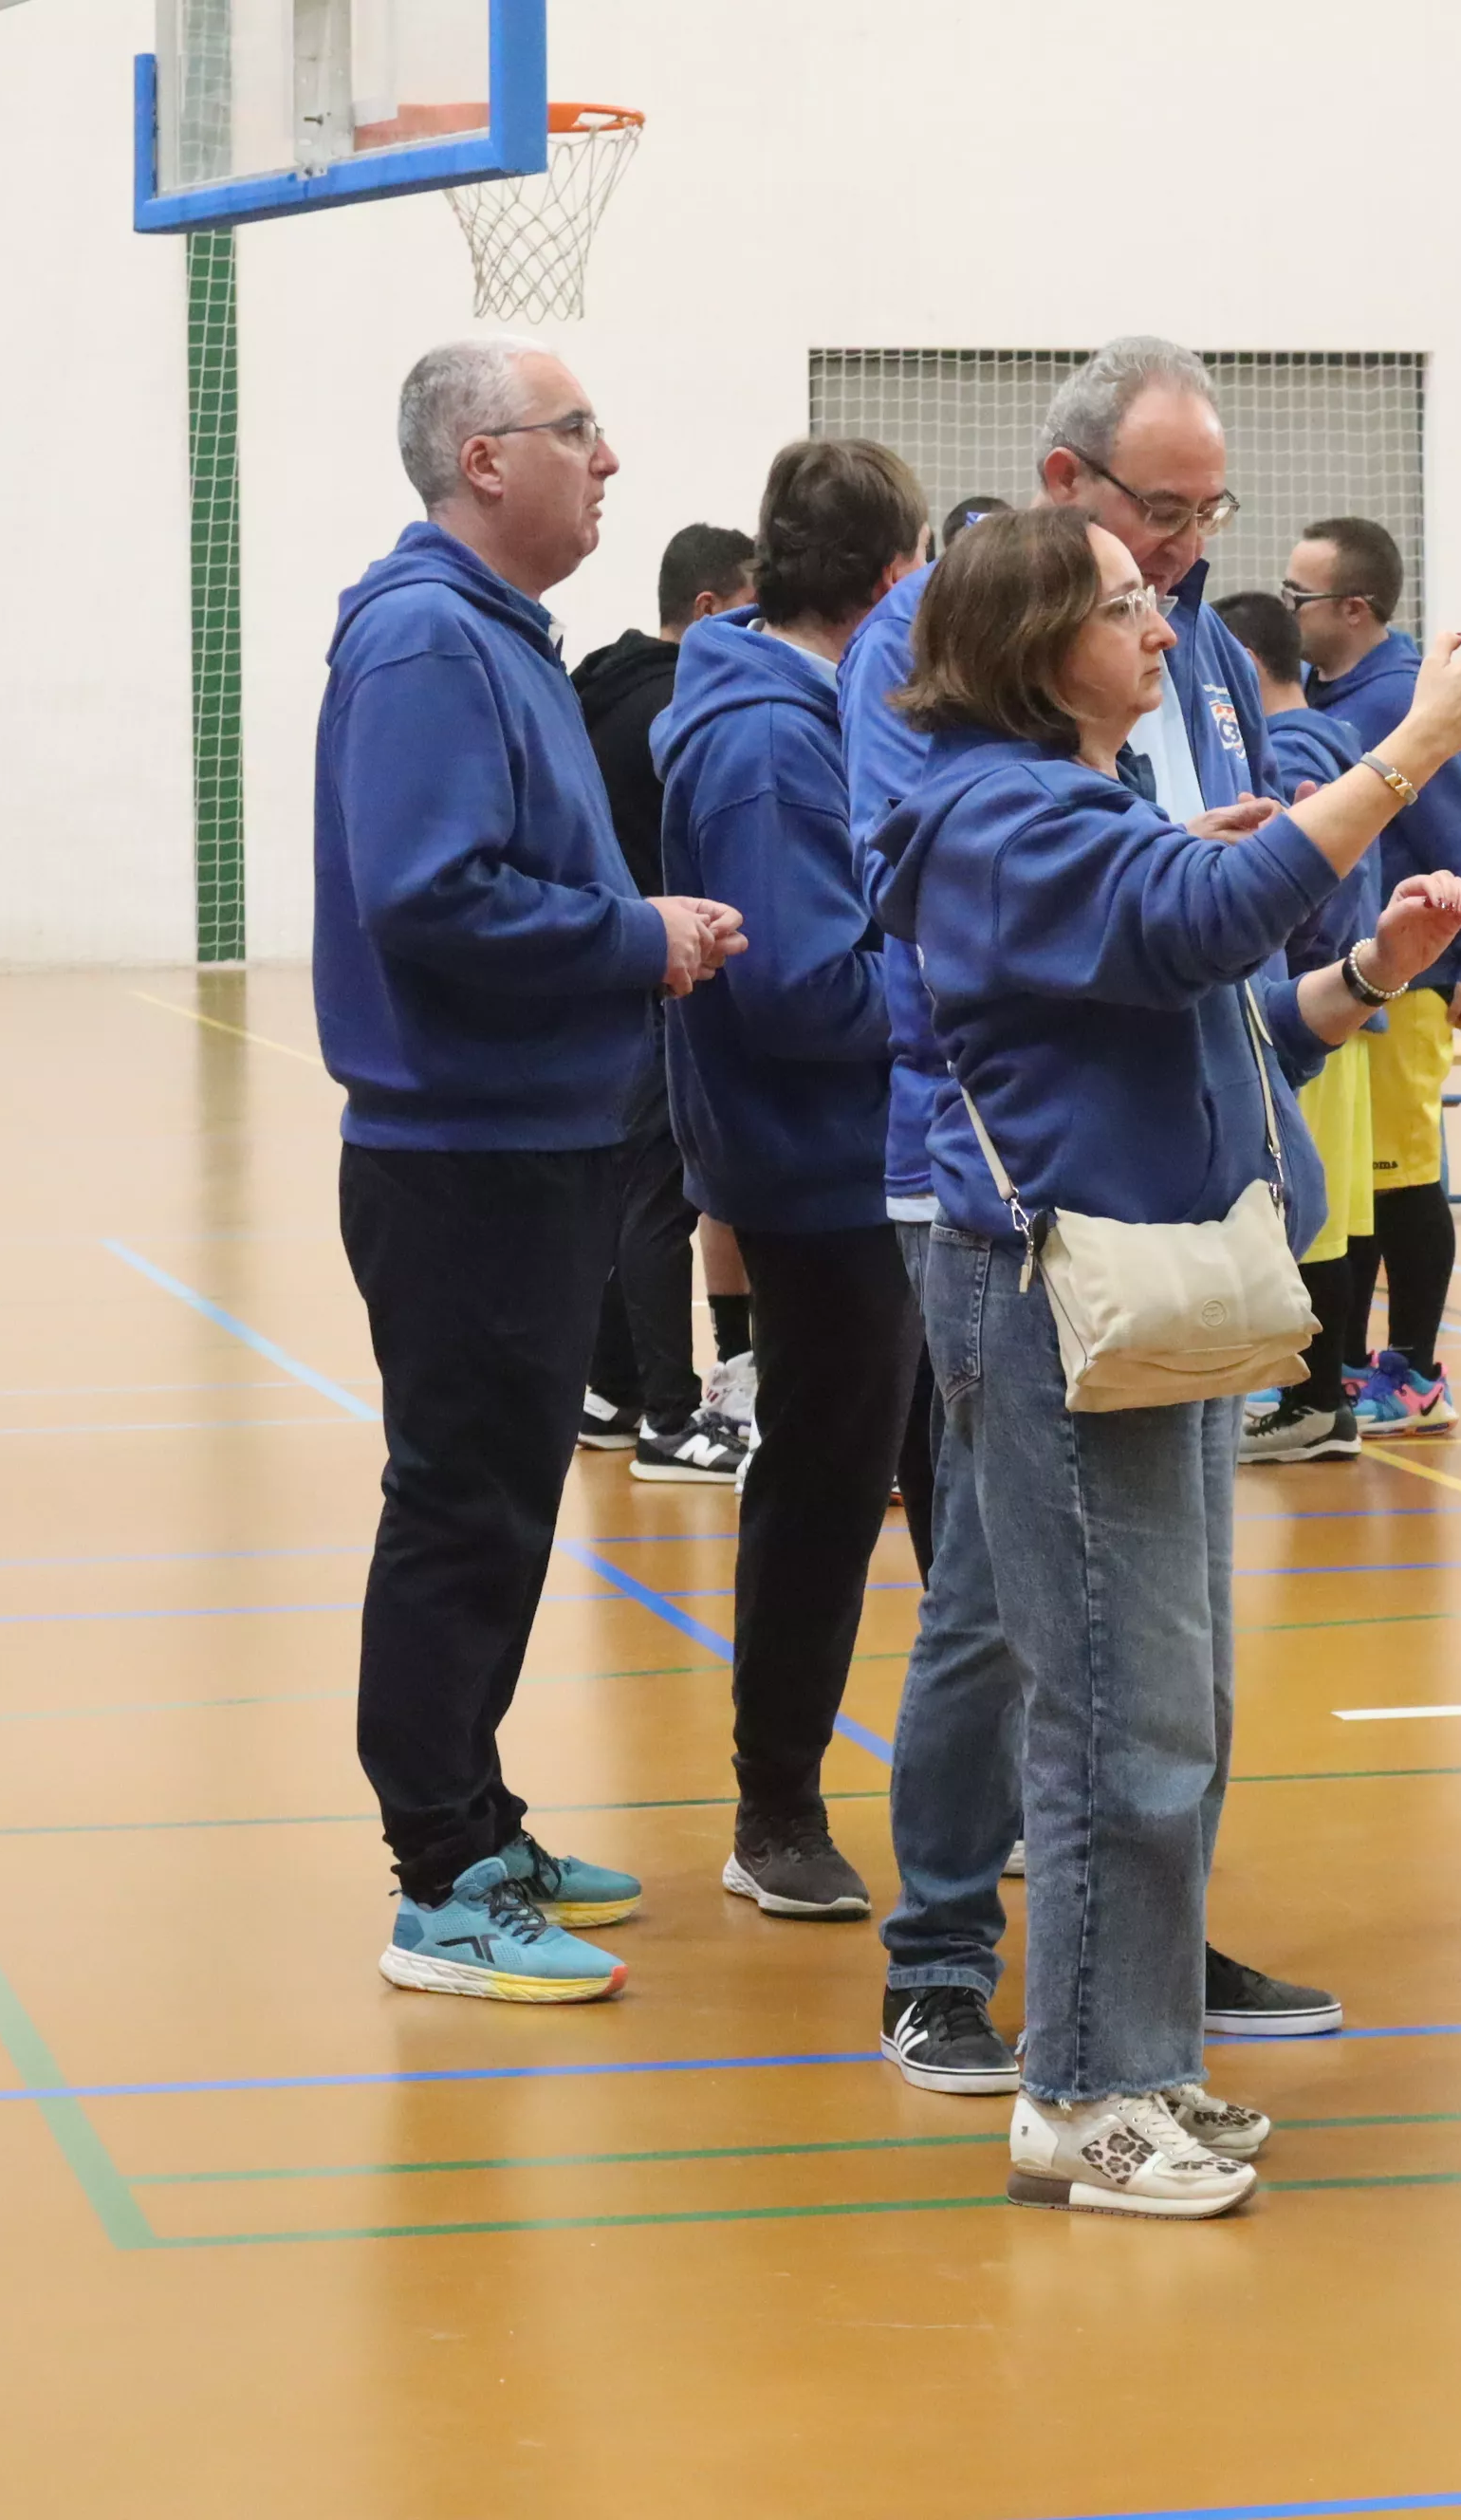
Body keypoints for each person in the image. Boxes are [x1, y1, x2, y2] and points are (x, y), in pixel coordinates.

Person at [867, 504, 1461, 2214]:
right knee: (1109, 1715)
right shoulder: (1000, 817)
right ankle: (1080, 2096)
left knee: (1171, 1712)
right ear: (1031, 652)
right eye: (1120, 605)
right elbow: (1200, 918)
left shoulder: (1068, 809)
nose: (1164, 628)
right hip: (1063, 1308)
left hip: (1137, 1306)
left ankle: (1139, 2061)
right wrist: (1409, 744)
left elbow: (1232, 1013)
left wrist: (1369, 970)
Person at [841, 339, 1348, 2082]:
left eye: (1207, 517)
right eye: (1154, 527)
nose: (1185, 564)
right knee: (1021, 1619)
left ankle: (1136, 1969)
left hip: (1170, 1200)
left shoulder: (1191, 649)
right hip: (1020, 1196)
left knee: (1162, 1657)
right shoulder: (955, 702)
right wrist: (1401, 756)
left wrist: (1324, 965)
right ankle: (953, 1960)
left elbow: (1191, 923)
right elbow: (1018, 906)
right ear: (1066, 494)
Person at [314, 336, 740, 2002]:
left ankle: (476, 1821)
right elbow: (429, 893)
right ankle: (436, 1882)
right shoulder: (428, 640)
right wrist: (632, 934)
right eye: (578, 433)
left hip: (533, 1138)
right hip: (464, 1151)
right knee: (458, 1509)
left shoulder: (493, 632)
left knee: (495, 1507)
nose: (608, 459)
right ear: (485, 458)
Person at [652, 439, 931, 1921]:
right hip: (821, 1174)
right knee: (829, 1485)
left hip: (887, 1166)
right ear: (894, 578)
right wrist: (965, 960)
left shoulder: (819, 710)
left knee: (947, 1472)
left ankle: (987, 1787)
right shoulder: (766, 740)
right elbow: (803, 989)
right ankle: (776, 1808)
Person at [1291, 513, 1461, 1435]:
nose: (1286, 608)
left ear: (1353, 606)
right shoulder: (1324, 696)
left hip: (1417, 976)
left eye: (1297, 596)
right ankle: (1345, 1365)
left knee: (1402, 1176)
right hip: (1354, 971)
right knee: (1358, 1181)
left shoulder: (1398, 701)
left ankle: (1417, 1371)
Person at [573, 521, 758, 1485]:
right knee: (657, 1201)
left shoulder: (599, 687)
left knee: (619, 1191)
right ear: (710, 611)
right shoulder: (676, 711)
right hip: (656, 972)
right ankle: (671, 1421)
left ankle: (612, 1392)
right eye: (755, 612)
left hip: (599, 974)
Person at [1216, 585, 1383, 1460]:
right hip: (1337, 999)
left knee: (1302, 1207)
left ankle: (1315, 1398)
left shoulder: (1289, 753)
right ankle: (1330, 1391)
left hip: (1308, 1000)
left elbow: (1321, 887)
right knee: (1333, 1209)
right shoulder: (1338, 741)